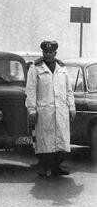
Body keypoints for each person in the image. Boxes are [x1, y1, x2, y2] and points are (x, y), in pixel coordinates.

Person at [25, 40, 76, 177]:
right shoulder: (35, 68)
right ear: (42, 52)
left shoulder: (62, 68)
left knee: (61, 141)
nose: (48, 54)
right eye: (46, 52)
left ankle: (56, 167)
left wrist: (72, 107)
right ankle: (43, 166)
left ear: (55, 53)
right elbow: (30, 90)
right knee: (44, 141)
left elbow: (68, 90)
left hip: (61, 110)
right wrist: (32, 110)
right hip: (44, 111)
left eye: (51, 52)